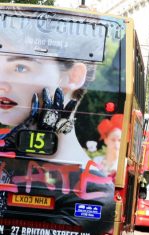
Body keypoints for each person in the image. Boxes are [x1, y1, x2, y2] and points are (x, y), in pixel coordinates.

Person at [0, 21, 115, 233]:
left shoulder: (96, 192)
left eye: (20, 67)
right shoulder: (5, 144)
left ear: (73, 77)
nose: (1, 81)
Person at [94, 114, 123, 178]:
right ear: (106, 140)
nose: (116, 144)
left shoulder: (125, 164)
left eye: (120, 140)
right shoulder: (97, 161)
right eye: (113, 140)